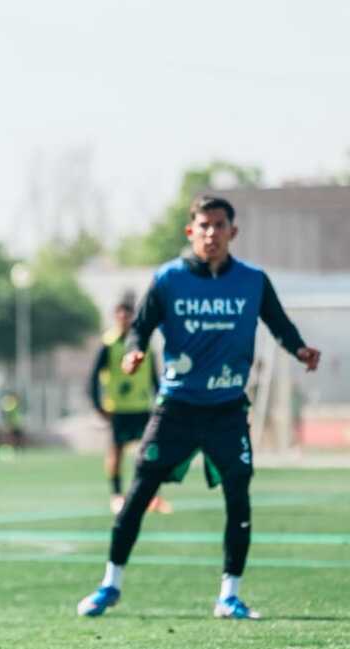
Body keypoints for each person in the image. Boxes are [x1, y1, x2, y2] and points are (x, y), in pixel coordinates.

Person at [77, 195, 320, 620]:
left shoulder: (253, 281)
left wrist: (300, 349)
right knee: (138, 495)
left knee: (238, 497)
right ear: (190, 231)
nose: (211, 233)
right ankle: (109, 584)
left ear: (233, 232)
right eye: (203, 226)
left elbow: (278, 324)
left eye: (219, 225)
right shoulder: (168, 279)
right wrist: (135, 352)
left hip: (227, 411)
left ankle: (230, 595)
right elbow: (141, 328)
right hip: (176, 409)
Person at [89, 295, 171, 515]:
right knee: (116, 452)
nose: (124, 317)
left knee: (151, 453)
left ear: (133, 316)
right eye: (120, 313)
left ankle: (153, 496)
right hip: (119, 408)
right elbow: (93, 377)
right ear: (116, 316)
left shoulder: (144, 344)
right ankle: (117, 496)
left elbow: (155, 377)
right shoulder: (108, 345)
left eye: (128, 313)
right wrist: (98, 406)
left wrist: (162, 403)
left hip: (142, 407)